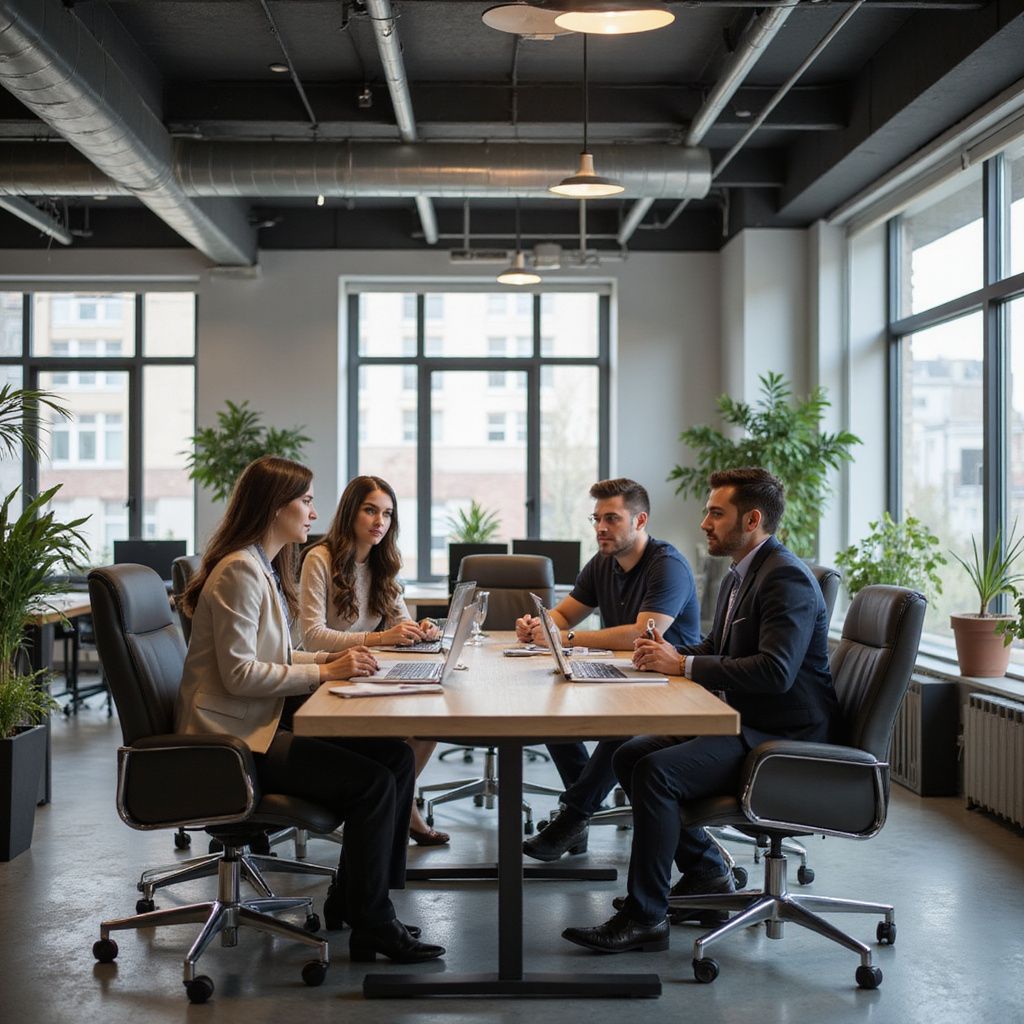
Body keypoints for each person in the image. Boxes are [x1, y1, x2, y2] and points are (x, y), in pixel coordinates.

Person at [175, 455, 444, 964]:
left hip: (258, 726)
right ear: (274, 507)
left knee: (396, 760)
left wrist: (330, 659)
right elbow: (240, 675)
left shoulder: (259, 565)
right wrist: (326, 672)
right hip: (232, 746)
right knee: (372, 783)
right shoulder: (240, 572)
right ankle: (373, 923)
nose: (313, 514)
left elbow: (272, 656)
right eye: (304, 501)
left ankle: (357, 898)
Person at [561, 467, 838, 954]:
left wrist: (686, 663)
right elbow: (718, 645)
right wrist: (668, 658)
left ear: (751, 519)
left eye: (716, 512)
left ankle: (645, 917)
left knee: (657, 773)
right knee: (630, 754)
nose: (704, 522)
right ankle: (707, 871)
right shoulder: (741, 574)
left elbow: (776, 671)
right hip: (749, 721)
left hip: (780, 738)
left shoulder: (784, 579)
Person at [515, 477, 701, 862]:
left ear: (640, 520)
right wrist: (540, 626)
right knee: (550, 709)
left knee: (623, 729)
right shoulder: (602, 562)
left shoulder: (667, 566)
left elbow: (642, 632)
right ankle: (579, 815)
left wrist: (564, 639)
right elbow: (565, 614)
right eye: (596, 518)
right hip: (622, 675)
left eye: (612, 518)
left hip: (670, 684)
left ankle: (575, 815)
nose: (601, 527)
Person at [299, 474, 449, 846]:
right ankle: (398, 812)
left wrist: (421, 630)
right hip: (325, 677)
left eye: (387, 514)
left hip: (363, 672)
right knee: (402, 732)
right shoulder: (320, 559)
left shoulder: (383, 562)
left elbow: (401, 623)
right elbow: (312, 636)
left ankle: (400, 806)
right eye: (370, 510)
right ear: (351, 512)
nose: (379, 521)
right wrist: (381, 637)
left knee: (429, 721)